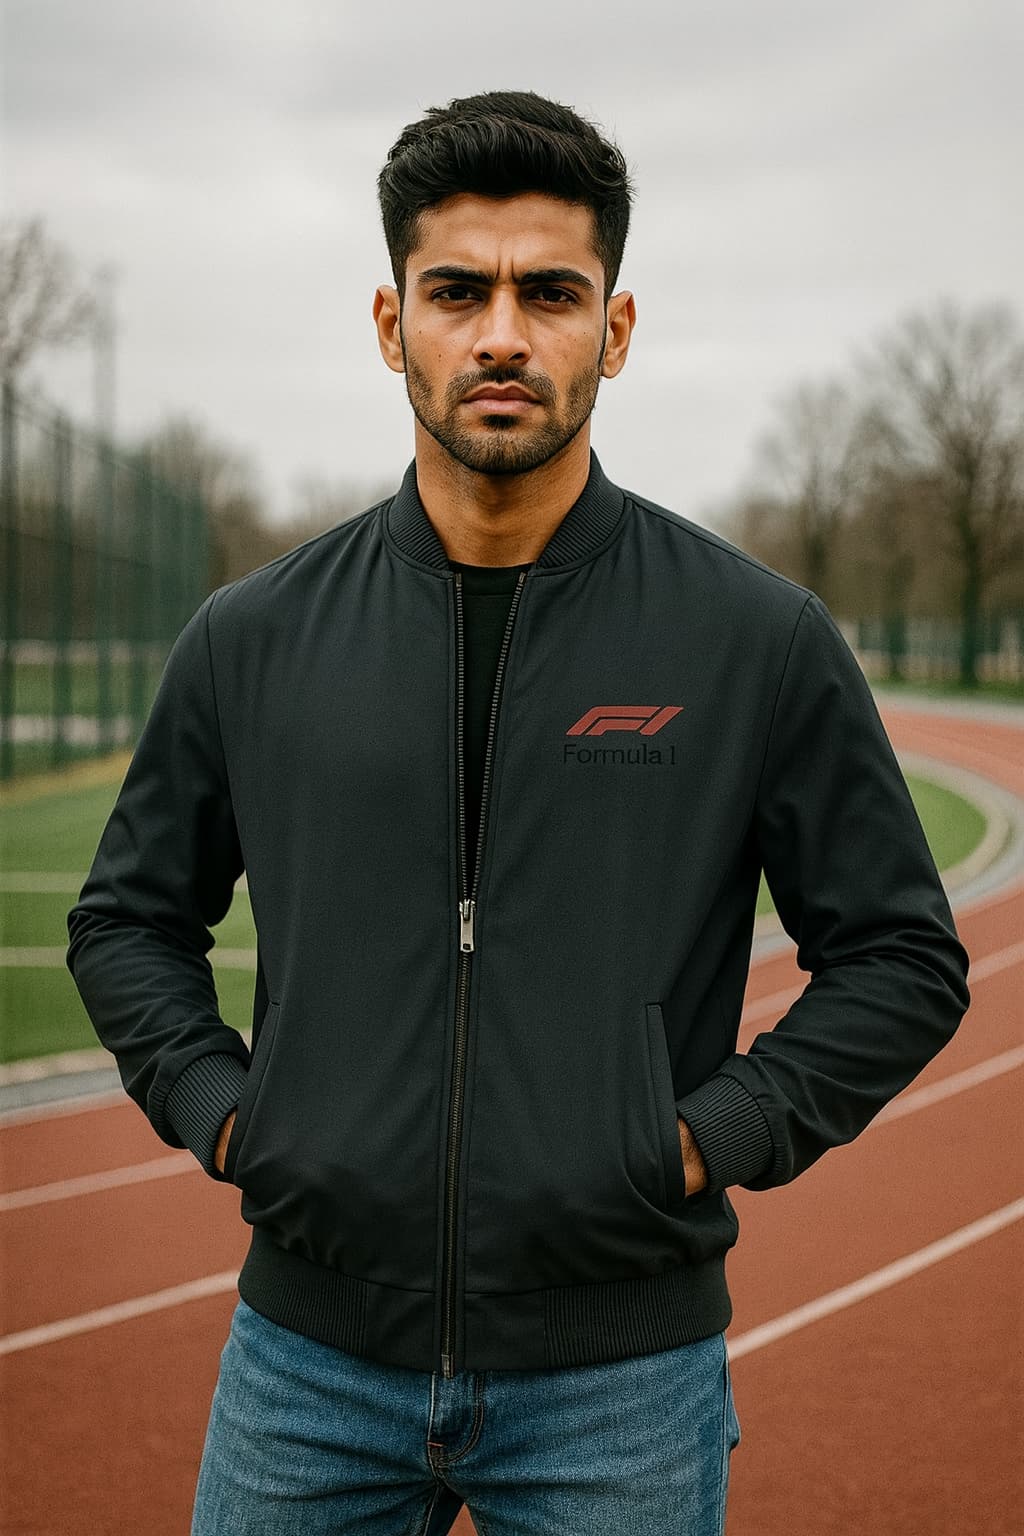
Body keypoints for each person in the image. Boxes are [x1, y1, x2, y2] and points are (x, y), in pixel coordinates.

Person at [67, 89, 970, 1536]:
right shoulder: (252, 637)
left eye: (549, 293)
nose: (501, 334)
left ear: (612, 330)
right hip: (307, 1366)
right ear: (390, 323)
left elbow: (904, 959)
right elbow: (126, 919)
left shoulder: (753, 639)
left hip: (622, 1376)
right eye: (457, 292)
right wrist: (228, 1115)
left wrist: (704, 1135)